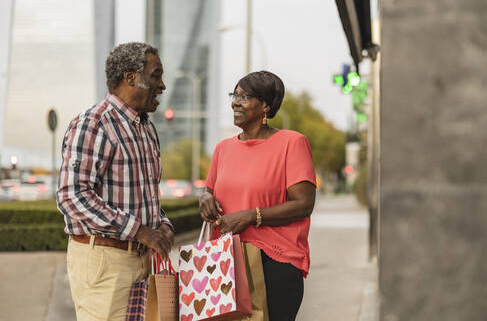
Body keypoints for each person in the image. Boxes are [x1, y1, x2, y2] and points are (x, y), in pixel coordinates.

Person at [57, 42, 175, 321]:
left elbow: (147, 196)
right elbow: (72, 196)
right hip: (105, 263)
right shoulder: (94, 123)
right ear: (131, 77)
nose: (163, 86)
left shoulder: (145, 127)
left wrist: (163, 225)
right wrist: (140, 231)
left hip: (142, 261)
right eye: (156, 75)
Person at [199, 71, 317, 321]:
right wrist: (204, 199)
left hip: (274, 261)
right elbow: (210, 192)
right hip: (225, 261)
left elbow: (304, 204)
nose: (235, 102)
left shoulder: (291, 143)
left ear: (265, 104)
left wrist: (252, 216)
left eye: (245, 96)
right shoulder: (223, 149)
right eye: (235, 95)